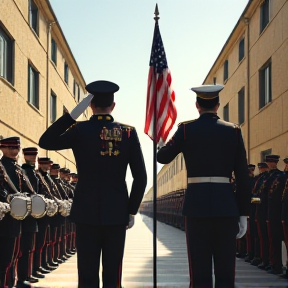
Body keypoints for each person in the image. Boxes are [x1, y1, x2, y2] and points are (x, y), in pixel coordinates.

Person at [38, 80, 147, 288]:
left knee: (87, 274)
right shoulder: (128, 133)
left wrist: (71, 116)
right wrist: (131, 211)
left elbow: (46, 141)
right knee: (112, 275)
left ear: (90, 106)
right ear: (113, 106)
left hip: (85, 213)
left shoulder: (80, 130)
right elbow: (140, 178)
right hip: (117, 214)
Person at [157, 84, 250, 288]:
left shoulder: (186, 129)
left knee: (199, 271)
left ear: (197, 106)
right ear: (218, 105)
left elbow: (162, 157)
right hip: (226, 206)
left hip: (196, 206)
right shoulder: (233, 131)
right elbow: (243, 175)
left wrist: (162, 137)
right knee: (226, 270)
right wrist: (243, 213)